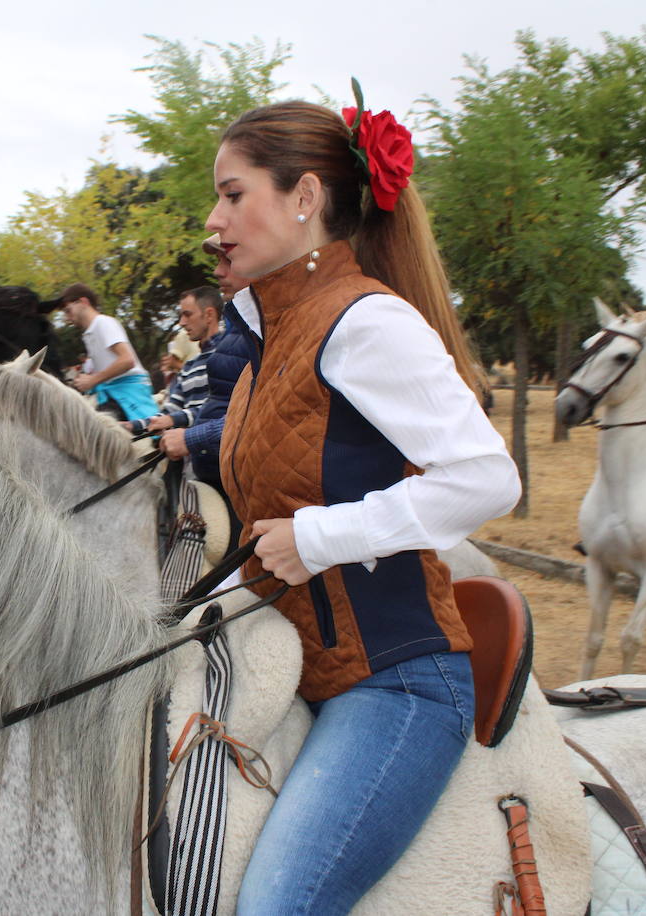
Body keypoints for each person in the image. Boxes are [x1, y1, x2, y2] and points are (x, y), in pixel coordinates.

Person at [203, 98, 518, 912]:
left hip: (397, 686)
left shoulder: (365, 321)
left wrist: (322, 536)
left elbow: (487, 477)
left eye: (234, 194)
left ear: (304, 197)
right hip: (302, 666)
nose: (213, 220)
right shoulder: (275, 334)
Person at [159, 237, 258, 484]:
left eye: (228, 259)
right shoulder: (238, 327)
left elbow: (263, 417)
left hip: (239, 478)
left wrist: (191, 437)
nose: (216, 271)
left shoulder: (259, 329)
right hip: (216, 469)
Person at [126, 287, 224, 436]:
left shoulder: (228, 355)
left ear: (209, 315)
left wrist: (172, 420)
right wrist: (131, 426)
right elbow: (169, 412)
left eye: (187, 315)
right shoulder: (189, 366)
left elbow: (219, 411)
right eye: (181, 315)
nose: (182, 322)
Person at [60, 283, 155, 422]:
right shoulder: (90, 332)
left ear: (83, 302)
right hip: (113, 394)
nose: (68, 318)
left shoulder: (103, 323)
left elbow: (127, 360)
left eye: (68, 310)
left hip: (128, 394)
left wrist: (92, 380)